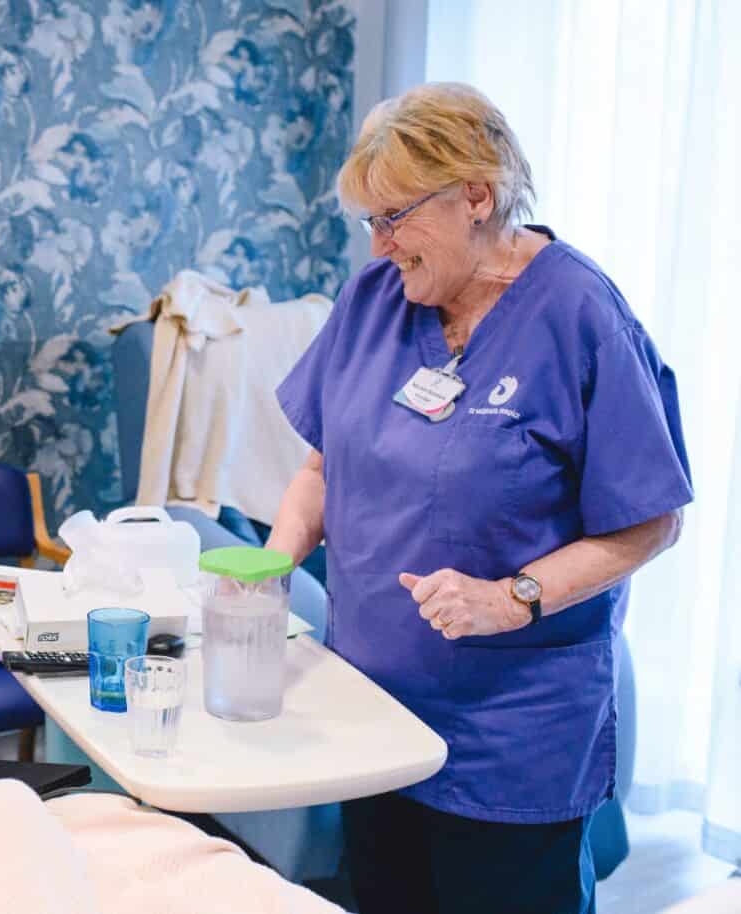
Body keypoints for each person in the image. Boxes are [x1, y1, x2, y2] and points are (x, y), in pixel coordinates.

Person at [266, 82, 692, 914]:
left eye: (396, 217)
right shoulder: (374, 301)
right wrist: (269, 567)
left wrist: (511, 598)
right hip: (374, 721)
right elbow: (322, 469)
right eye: (370, 221)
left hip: (509, 739)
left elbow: (652, 520)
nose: (381, 244)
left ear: (475, 197)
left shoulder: (581, 316)